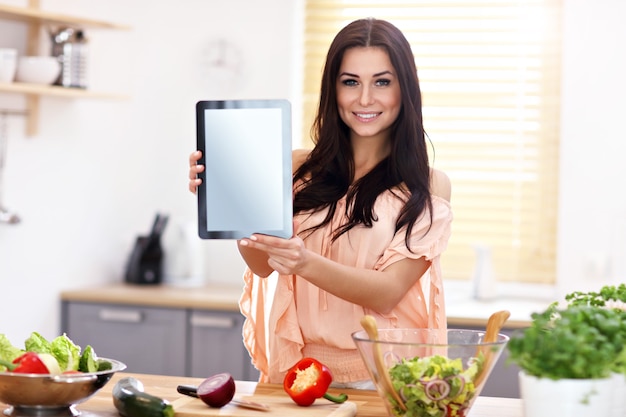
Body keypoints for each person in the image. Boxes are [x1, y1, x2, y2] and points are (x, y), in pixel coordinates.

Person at [188, 17, 452, 387]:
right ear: (333, 89)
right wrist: (233, 200)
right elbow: (263, 265)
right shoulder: (296, 167)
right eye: (350, 82)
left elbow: (388, 293)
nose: (365, 98)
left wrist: (305, 262)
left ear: (404, 90)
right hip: (298, 373)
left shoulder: (428, 186)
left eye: (382, 81)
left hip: (383, 379)